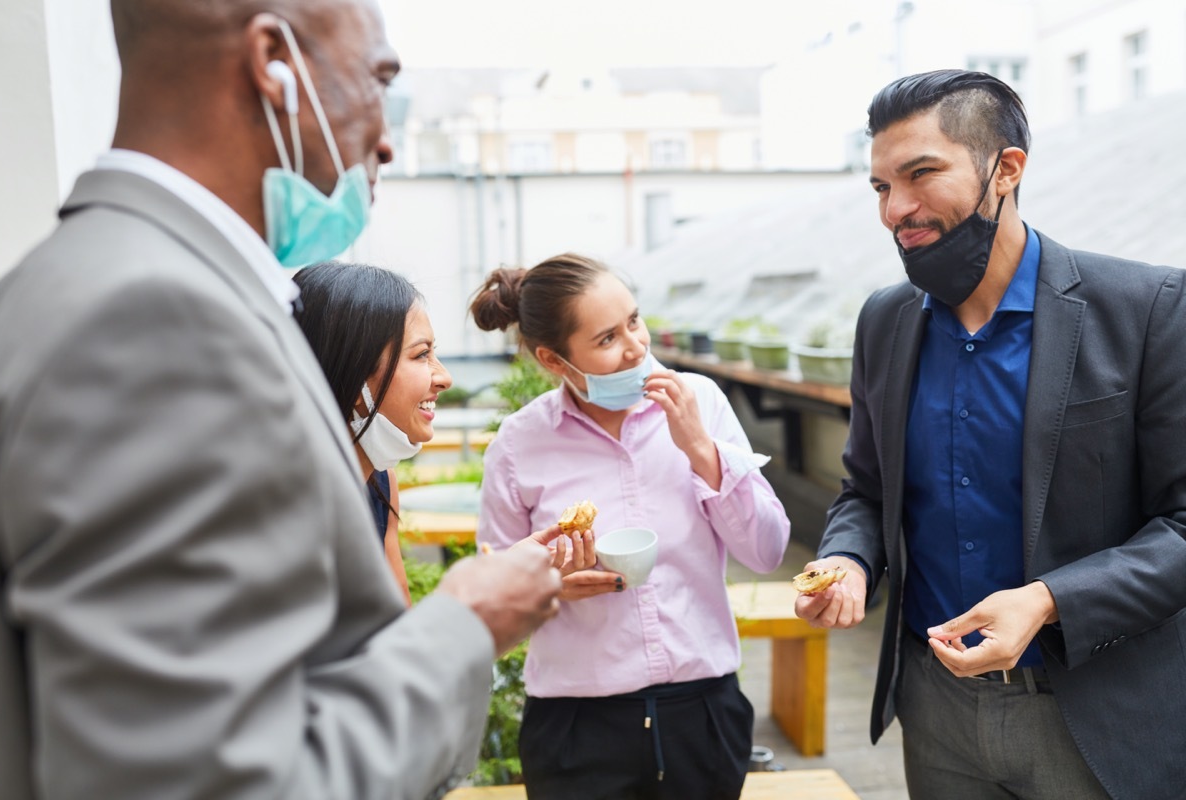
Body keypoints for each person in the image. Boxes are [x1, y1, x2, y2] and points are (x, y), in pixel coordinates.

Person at [0, 2, 563, 798]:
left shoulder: (92, 279)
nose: (386, 139)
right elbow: (211, 781)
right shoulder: (156, 321)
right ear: (273, 62)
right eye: (378, 81)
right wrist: (466, 625)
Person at [795, 69, 1186, 800]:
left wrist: (1048, 600)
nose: (895, 210)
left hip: (1099, 711)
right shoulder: (885, 320)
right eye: (881, 187)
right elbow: (867, 490)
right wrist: (847, 559)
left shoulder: (1148, 308)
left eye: (920, 175)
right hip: (934, 708)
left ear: (1005, 170)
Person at [470, 253, 791, 800]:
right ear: (554, 359)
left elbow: (768, 551)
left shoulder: (701, 404)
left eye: (635, 321)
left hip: (703, 714)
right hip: (576, 732)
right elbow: (492, 612)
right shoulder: (520, 444)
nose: (637, 346)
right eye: (607, 338)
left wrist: (699, 449)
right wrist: (546, 588)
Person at [293, 261, 450, 604]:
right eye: (421, 354)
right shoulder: (283, 508)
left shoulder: (381, 482)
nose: (443, 378)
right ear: (351, 370)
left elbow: (397, 634)